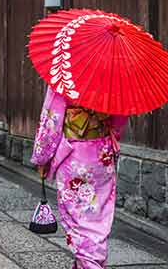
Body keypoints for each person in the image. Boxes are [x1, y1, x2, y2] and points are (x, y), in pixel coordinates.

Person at [31, 87, 128, 269]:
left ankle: (90, 265)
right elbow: (120, 120)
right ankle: (89, 263)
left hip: (74, 155)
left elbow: (51, 121)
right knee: (97, 219)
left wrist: (42, 157)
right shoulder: (113, 76)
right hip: (102, 155)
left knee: (78, 220)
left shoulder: (65, 73)